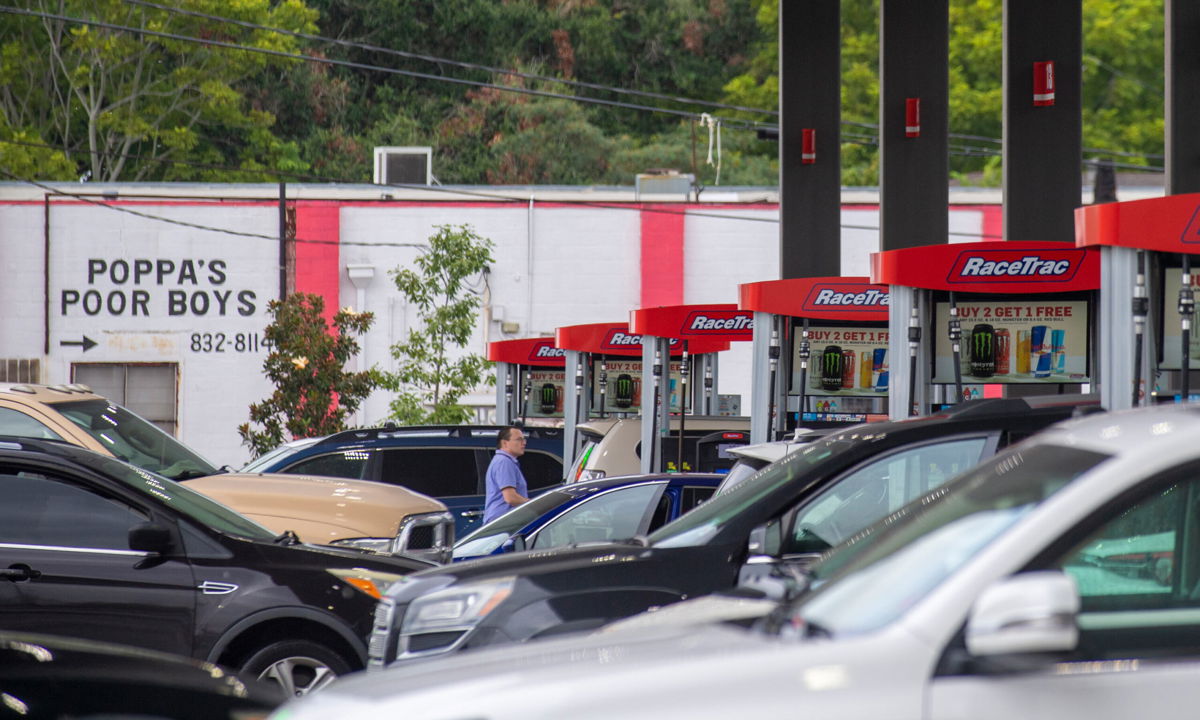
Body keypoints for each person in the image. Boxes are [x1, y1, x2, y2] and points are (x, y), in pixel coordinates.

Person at [482, 426, 529, 523]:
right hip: (503, 523)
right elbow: (510, 498)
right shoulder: (504, 462)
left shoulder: (504, 461)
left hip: (503, 522)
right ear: (504, 443)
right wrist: (534, 505)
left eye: (524, 439)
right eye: (519, 440)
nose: (524, 443)